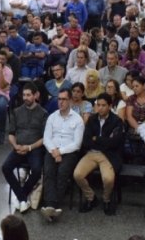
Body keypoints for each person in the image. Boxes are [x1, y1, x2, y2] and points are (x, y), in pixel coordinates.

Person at [74, 93, 124, 215]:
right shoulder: (92, 119)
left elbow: (115, 143)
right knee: (77, 175)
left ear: (110, 106)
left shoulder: (117, 121)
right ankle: (91, 198)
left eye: (103, 105)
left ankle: (106, 200)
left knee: (108, 179)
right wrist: (103, 140)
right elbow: (86, 141)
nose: (100, 108)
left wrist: (97, 139)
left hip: (108, 155)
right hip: (91, 153)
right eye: (98, 105)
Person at [2, 83, 47, 213]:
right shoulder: (17, 112)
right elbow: (11, 134)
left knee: (37, 170)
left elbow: (44, 138)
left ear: (35, 95)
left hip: (34, 148)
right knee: (5, 167)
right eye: (24, 95)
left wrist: (29, 147)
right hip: (18, 147)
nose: (25, 98)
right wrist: (16, 146)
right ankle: (23, 198)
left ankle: (21, 196)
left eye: (28, 95)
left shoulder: (43, 113)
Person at [41, 88, 84, 222]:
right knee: (48, 171)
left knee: (62, 172)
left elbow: (77, 144)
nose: (61, 102)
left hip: (69, 152)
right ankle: (51, 206)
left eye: (64, 99)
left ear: (70, 101)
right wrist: (54, 151)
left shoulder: (78, 120)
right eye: (59, 99)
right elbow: (46, 138)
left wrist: (60, 152)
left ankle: (52, 205)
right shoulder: (52, 117)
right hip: (52, 150)